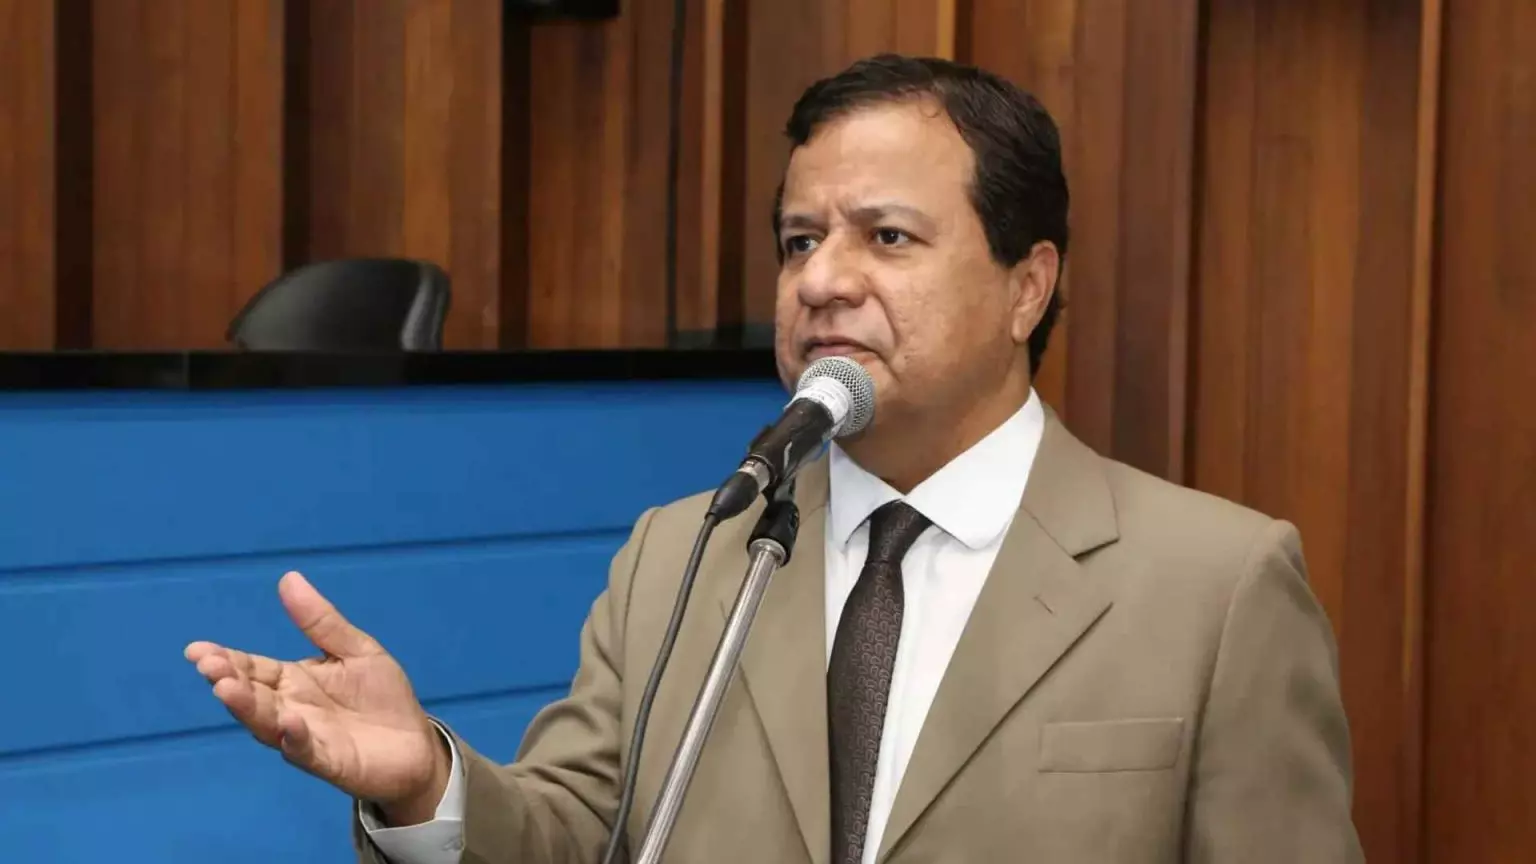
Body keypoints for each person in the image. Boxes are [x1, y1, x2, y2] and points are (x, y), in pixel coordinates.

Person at [186, 54, 1364, 863]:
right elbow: (582, 836)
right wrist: (427, 783)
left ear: (1028, 286)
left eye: (886, 238)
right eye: (800, 240)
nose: (821, 280)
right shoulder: (685, 553)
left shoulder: (1215, 586)